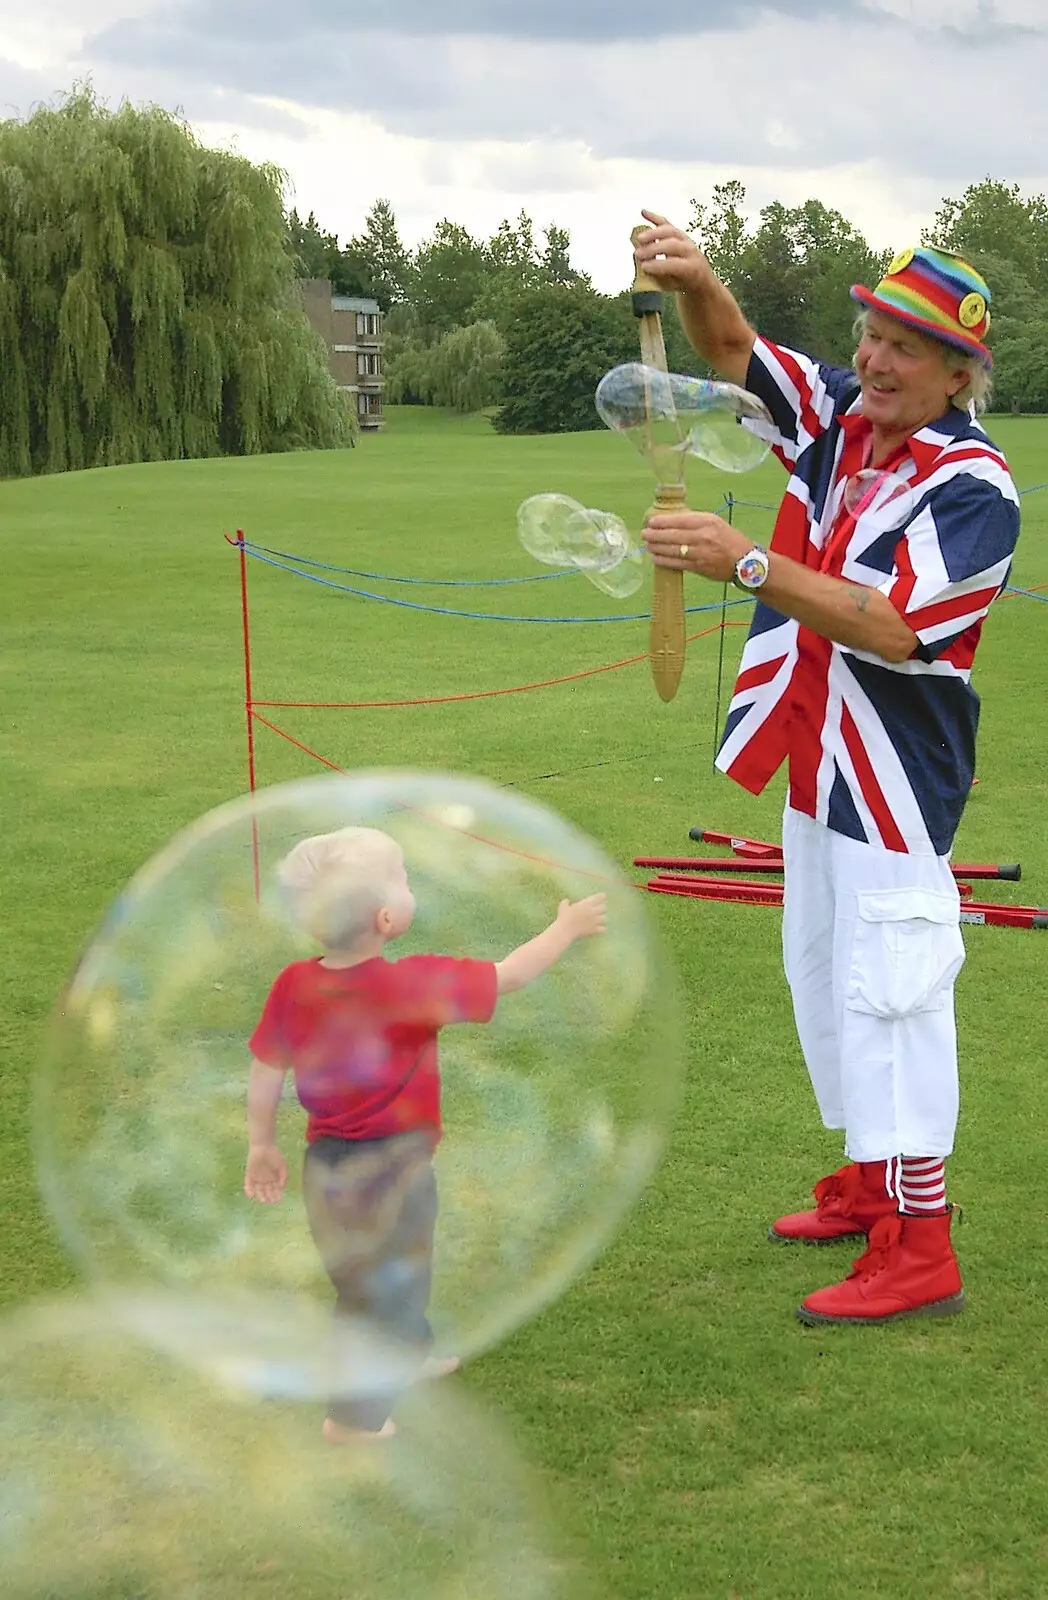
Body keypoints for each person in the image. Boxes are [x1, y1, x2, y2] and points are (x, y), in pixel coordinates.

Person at [634, 212, 1020, 1326]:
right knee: (823, 968)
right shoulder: (840, 421)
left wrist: (745, 559)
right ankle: (867, 1180)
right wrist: (698, 274)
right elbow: (732, 354)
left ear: (959, 372)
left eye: (905, 343)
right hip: (814, 752)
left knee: (895, 990)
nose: (874, 358)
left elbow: (898, 626)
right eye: (870, 332)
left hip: (898, 773)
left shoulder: (974, 486)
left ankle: (920, 1244)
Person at [244, 825, 606, 1437]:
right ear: (386, 917)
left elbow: (265, 1066)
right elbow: (511, 974)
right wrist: (564, 930)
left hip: (325, 1164)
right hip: (394, 1169)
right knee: (379, 1291)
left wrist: (260, 1142)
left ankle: (406, 1355)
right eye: (404, 878)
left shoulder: (294, 984)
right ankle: (352, 1422)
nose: (411, 887)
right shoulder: (408, 985)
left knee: (384, 1273)